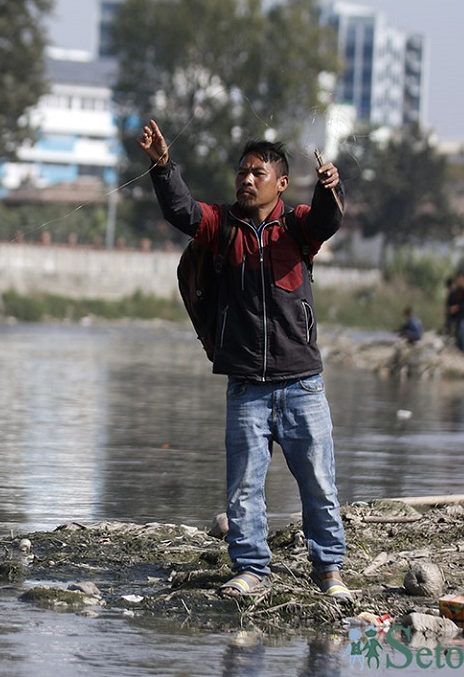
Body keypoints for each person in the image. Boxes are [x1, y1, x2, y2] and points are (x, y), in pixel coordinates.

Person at [138, 119, 349, 600]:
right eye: (242, 172)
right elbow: (182, 211)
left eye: (258, 173)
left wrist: (330, 187)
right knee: (244, 488)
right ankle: (251, 568)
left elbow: (328, 221)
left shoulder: (298, 226)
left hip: (303, 385)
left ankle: (329, 570)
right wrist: (163, 166)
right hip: (246, 388)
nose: (246, 179)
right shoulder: (221, 226)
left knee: (319, 484)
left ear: (281, 183)